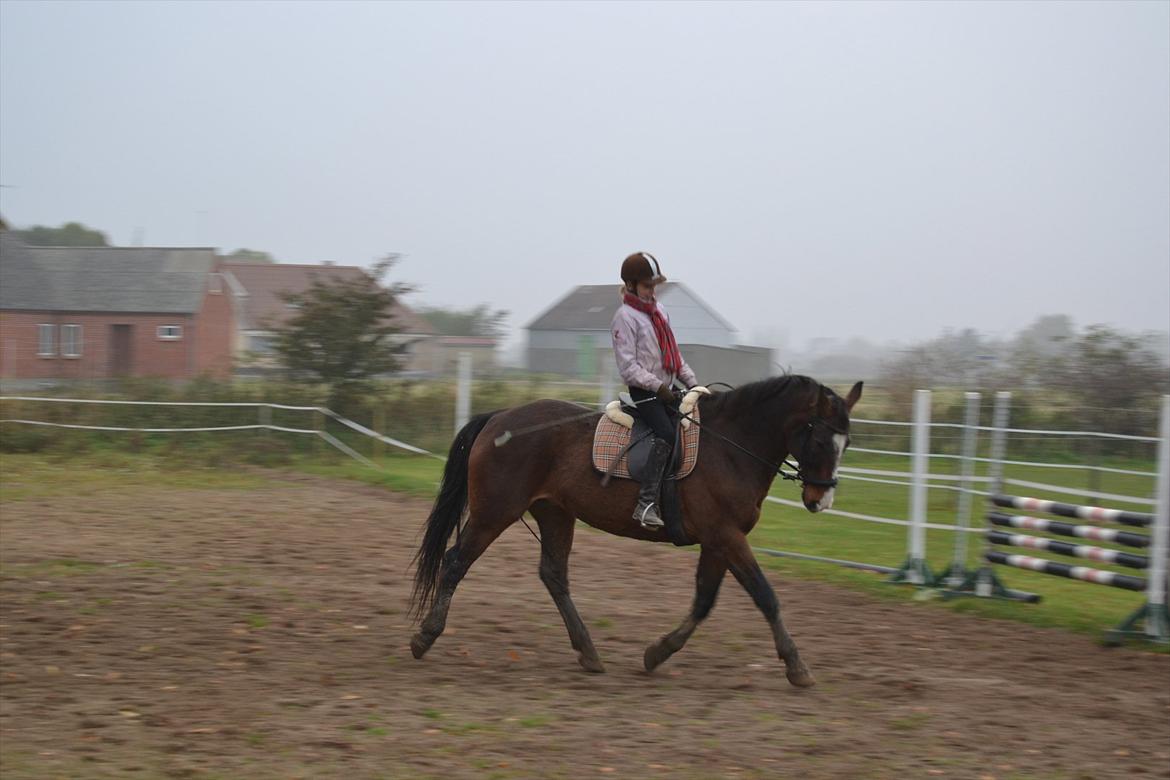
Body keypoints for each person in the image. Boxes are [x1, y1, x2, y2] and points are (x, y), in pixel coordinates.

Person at [610, 252, 698, 529]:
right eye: (648, 285)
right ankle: (645, 503)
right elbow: (628, 367)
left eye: (654, 285)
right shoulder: (624, 318)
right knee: (667, 434)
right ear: (632, 285)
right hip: (644, 393)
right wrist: (658, 386)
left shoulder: (660, 313)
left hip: (668, 389)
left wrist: (693, 383)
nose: (652, 290)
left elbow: (673, 355)